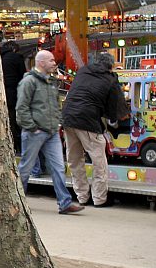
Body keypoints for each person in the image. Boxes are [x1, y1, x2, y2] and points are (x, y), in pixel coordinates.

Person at [16, 50, 84, 215]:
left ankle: (65, 203)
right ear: (41, 63)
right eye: (51, 60)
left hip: (50, 131)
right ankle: (18, 203)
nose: (55, 63)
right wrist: (33, 127)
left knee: (58, 167)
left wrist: (56, 123)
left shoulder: (48, 81)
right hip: (36, 132)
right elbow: (21, 108)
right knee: (26, 168)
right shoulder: (30, 82)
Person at [62, 52, 126, 207]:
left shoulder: (83, 71)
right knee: (99, 161)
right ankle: (99, 198)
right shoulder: (110, 79)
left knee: (75, 159)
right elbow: (116, 108)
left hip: (68, 118)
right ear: (110, 66)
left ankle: (82, 196)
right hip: (88, 121)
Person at [0, 41, 27, 153]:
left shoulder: (0, 57)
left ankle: (10, 143)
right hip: (14, 93)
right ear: (15, 49)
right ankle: (18, 145)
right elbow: (23, 75)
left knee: (7, 119)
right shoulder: (16, 57)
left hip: (2, 92)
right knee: (17, 120)